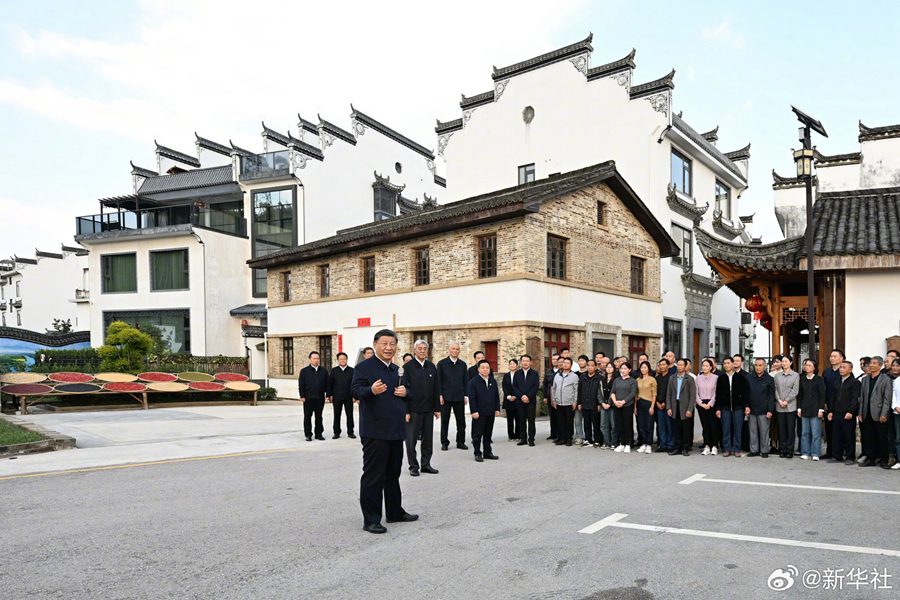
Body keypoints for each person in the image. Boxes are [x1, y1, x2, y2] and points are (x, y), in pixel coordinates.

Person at [350, 329, 417, 534]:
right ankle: (371, 519)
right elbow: (354, 391)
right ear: (375, 344)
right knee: (374, 475)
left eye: (392, 344)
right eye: (384, 343)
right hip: (375, 430)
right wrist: (371, 390)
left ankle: (395, 511)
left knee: (393, 474)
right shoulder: (364, 368)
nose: (389, 348)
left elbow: (409, 392)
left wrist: (407, 392)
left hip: (396, 430)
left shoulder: (397, 370)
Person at [402, 340, 440, 477]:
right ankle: (413, 466)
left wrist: (437, 408)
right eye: (420, 348)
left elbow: (436, 388)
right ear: (414, 350)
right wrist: (406, 411)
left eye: (425, 348)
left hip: (429, 408)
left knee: (427, 438)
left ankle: (425, 464)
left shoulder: (431, 366)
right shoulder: (408, 367)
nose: (423, 351)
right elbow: (404, 390)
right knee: (411, 439)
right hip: (413, 409)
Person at [859, 356, 892, 467]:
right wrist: (860, 412)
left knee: (882, 437)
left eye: (874, 363)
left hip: (879, 413)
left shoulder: (886, 380)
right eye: (870, 363)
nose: (871, 365)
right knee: (869, 437)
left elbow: (887, 399)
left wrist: (884, 414)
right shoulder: (865, 380)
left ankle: (883, 460)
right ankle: (870, 458)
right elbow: (862, 398)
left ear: (880, 365)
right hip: (866, 412)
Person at [436, 342, 469, 452]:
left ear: (459, 351)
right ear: (449, 350)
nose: (455, 351)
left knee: (461, 421)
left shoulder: (463, 365)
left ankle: (460, 442)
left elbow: (465, 380)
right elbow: (438, 381)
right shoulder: (442, 364)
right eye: (453, 349)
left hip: (459, 396)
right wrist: (440, 395)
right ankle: (444, 442)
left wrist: (466, 395)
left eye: (457, 349)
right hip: (446, 396)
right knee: (445, 421)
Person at [827, 360, 860, 465]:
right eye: (840, 367)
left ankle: (850, 457)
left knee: (849, 436)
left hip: (848, 413)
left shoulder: (855, 382)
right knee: (837, 435)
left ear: (850, 370)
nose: (841, 369)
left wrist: (851, 411)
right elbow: (833, 397)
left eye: (844, 367)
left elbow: (855, 398)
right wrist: (831, 411)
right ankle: (837, 455)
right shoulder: (837, 381)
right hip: (837, 412)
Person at [467, 360, 500, 462]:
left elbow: (496, 396)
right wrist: (474, 411)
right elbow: (472, 398)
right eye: (483, 368)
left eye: (487, 368)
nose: (485, 369)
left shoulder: (492, 381)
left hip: (490, 411)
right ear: (478, 369)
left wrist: (497, 408)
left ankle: (487, 452)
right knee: (477, 434)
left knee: (488, 433)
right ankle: (477, 453)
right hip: (479, 412)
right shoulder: (473, 382)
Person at [716, 356, 749, 457]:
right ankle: (727, 449)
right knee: (726, 429)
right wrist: (718, 408)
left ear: (732, 364)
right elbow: (718, 394)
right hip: (725, 407)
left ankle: (737, 449)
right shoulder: (721, 378)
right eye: (724, 363)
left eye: (728, 363)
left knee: (737, 429)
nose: (726, 365)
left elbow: (745, 393)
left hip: (738, 407)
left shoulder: (740, 377)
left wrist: (746, 406)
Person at [798, 358, 826, 461]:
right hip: (805, 408)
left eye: (810, 365)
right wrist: (799, 408)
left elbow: (822, 395)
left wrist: (821, 409)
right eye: (806, 365)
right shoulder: (802, 379)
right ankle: (805, 452)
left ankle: (815, 453)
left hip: (815, 409)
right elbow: (800, 395)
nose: (807, 367)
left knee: (816, 432)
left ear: (814, 367)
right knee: (805, 432)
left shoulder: (819, 379)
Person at [746, 358, 775, 458]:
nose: (758, 367)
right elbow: (745, 394)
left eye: (760, 365)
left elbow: (771, 396)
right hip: (752, 409)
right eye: (756, 365)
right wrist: (746, 406)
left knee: (764, 431)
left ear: (765, 366)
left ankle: (764, 450)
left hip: (764, 409)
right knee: (752, 430)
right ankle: (754, 450)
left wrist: (770, 410)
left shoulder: (769, 379)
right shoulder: (749, 377)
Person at [666, 359, 696, 456]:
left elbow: (692, 396)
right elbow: (669, 394)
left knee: (686, 428)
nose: (679, 367)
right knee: (676, 428)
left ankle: (685, 448)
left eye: (681, 365)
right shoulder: (672, 378)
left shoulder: (689, 379)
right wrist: (669, 407)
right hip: (675, 405)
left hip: (685, 406)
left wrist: (690, 409)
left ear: (685, 366)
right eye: (678, 365)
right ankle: (677, 447)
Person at [298, 351, 329, 441]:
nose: (316, 360)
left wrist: (327, 394)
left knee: (319, 416)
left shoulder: (323, 371)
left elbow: (327, 384)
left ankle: (319, 434)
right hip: (308, 398)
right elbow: (301, 385)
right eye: (314, 358)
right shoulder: (304, 371)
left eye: (317, 359)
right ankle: (308, 434)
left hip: (320, 398)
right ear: (310, 359)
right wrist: (302, 396)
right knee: (308, 416)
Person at [821, 349, 845, 460]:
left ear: (841, 358)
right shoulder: (826, 372)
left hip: (840, 405)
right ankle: (829, 452)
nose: (832, 358)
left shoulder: (845, 371)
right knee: (829, 430)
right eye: (831, 356)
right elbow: (823, 389)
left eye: (835, 356)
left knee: (839, 430)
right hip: (828, 404)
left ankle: (839, 453)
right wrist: (824, 403)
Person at [774, 356, 800, 459]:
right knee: (782, 429)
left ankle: (790, 450)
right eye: (782, 361)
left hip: (791, 406)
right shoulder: (777, 376)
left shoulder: (795, 375)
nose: (784, 363)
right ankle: (782, 449)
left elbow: (795, 390)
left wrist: (786, 401)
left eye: (786, 361)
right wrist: (779, 400)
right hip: (779, 406)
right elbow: (775, 389)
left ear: (790, 363)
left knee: (790, 429)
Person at [512, 354, 540, 447]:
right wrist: (521, 396)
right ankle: (523, 438)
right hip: (520, 401)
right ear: (521, 362)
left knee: (531, 420)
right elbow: (514, 386)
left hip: (531, 401)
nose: (525, 363)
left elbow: (536, 386)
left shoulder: (535, 373)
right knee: (521, 420)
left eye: (527, 361)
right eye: (523, 361)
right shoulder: (517, 373)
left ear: (530, 362)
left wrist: (528, 396)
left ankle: (531, 439)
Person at [327, 352, 355, 439]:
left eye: (344, 359)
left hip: (349, 397)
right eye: (341, 359)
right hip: (337, 397)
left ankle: (350, 432)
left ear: (347, 360)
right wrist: (329, 395)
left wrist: (355, 396)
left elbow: (354, 384)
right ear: (338, 360)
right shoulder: (334, 371)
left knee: (350, 415)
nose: (343, 360)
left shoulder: (352, 371)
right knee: (336, 415)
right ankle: (336, 432)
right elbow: (330, 384)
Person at [551, 357, 579, 446]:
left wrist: (575, 402)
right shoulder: (557, 375)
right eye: (564, 363)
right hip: (559, 402)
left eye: (567, 363)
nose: (565, 364)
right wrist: (554, 400)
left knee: (569, 421)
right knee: (561, 421)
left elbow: (576, 390)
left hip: (569, 403)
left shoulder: (574, 376)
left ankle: (569, 438)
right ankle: (562, 438)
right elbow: (554, 388)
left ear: (571, 365)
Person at [611, 361, 638, 453]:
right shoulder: (617, 380)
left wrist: (623, 401)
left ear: (629, 370)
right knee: (619, 425)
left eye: (625, 368)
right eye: (622, 368)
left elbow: (632, 393)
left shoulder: (633, 381)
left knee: (627, 425)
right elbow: (612, 392)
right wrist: (615, 402)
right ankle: (621, 443)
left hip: (627, 405)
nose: (623, 370)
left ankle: (628, 444)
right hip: (617, 405)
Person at [695, 358, 719, 456]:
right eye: (703, 366)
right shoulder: (698, 378)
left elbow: (716, 393)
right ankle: (707, 446)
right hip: (701, 404)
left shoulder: (715, 377)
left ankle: (714, 446)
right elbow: (696, 392)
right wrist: (701, 403)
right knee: (705, 426)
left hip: (712, 404)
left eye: (706, 366)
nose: (704, 367)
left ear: (711, 367)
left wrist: (710, 404)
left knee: (713, 426)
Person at [634, 361, 657, 454]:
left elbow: (654, 394)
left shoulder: (652, 380)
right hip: (639, 403)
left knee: (649, 425)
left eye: (645, 367)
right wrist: (635, 407)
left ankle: (649, 444)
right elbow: (635, 395)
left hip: (648, 403)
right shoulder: (637, 380)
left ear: (648, 369)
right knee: (641, 425)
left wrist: (652, 406)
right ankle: (643, 443)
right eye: (642, 367)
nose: (643, 369)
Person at [579, 359, 602, 447]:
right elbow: (580, 390)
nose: (590, 367)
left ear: (596, 367)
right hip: (585, 403)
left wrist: (599, 403)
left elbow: (600, 392)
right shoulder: (583, 377)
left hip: (595, 404)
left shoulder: (599, 377)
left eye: (592, 366)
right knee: (586, 423)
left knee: (596, 423)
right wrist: (579, 403)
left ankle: (597, 440)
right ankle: (588, 439)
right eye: (588, 365)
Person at [654, 359, 673, 453]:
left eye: (663, 364)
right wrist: (657, 402)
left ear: (668, 366)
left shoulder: (672, 377)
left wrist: (665, 403)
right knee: (661, 426)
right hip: (658, 405)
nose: (661, 366)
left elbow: (672, 392)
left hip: (668, 405)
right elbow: (654, 392)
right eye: (660, 365)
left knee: (669, 426)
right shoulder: (657, 378)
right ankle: (663, 444)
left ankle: (670, 445)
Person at [599, 362, 617, 450]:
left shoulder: (616, 380)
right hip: (603, 405)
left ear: (614, 368)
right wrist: (602, 403)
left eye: (610, 367)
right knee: (603, 425)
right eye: (607, 367)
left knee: (613, 425)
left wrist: (609, 403)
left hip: (612, 405)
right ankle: (607, 442)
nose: (609, 369)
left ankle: (614, 442)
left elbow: (614, 393)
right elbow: (599, 393)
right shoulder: (602, 380)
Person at [543, 354, 560, 441]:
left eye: (556, 359)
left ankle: (559, 434)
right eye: (553, 359)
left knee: (558, 416)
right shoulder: (548, 371)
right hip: (550, 397)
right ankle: (552, 433)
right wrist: (545, 396)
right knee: (552, 416)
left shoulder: (561, 372)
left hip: (559, 397)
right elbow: (545, 384)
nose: (554, 361)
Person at [502, 359, 520, 442]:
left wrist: (516, 396)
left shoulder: (520, 374)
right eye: (511, 364)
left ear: (517, 365)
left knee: (518, 418)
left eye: (514, 364)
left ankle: (518, 435)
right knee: (509, 419)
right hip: (508, 400)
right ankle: (511, 435)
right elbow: (504, 387)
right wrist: (509, 396)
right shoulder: (506, 376)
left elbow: (521, 387)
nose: (512, 365)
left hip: (518, 399)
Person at [890, 358, 900, 470]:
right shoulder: (896, 380)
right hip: (897, 412)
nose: (895, 367)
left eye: (898, 365)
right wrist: (895, 406)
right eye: (894, 365)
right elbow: (893, 395)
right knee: (898, 438)